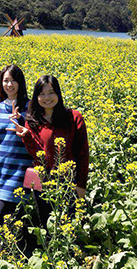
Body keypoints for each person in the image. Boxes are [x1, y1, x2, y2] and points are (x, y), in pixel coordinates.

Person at [8, 75, 89, 225]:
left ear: (58, 93)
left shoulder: (73, 118)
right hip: (42, 184)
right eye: (42, 94)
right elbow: (37, 154)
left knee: (69, 227)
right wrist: (26, 136)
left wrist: (81, 185)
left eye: (51, 93)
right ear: (36, 97)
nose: (47, 98)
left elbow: (83, 154)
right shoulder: (32, 121)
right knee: (47, 227)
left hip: (67, 184)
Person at [0, 65, 32, 223]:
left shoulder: (30, 107)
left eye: (13, 80)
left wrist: (22, 121)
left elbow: (35, 137)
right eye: (6, 81)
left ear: (20, 82)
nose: (9, 84)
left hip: (20, 171)